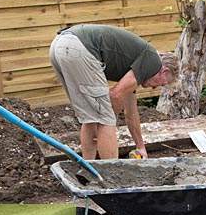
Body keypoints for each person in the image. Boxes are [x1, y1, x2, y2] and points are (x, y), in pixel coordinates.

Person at [49, 24, 179, 160]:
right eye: (162, 83)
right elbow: (115, 95)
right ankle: (112, 174)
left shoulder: (137, 67)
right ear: (164, 71)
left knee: (91, 117)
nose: (155, 88)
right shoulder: (152, 62)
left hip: (60, 46)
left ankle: (87, 170)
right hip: (78, 48)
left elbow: (131, 113)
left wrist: (140, 147)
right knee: (105, 119)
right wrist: (108, 121)